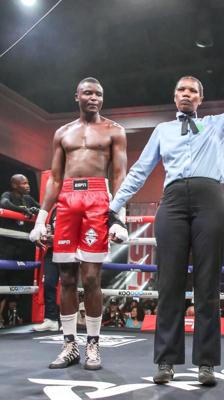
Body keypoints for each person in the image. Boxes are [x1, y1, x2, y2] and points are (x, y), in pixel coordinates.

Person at [109, 63, 224, 386]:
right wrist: (113, 207)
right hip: (173, 203)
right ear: (174, 96)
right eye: (181, 89)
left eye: (192, 90)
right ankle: (166, 361)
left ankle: (206, 363)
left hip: (210, 199)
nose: (186, 94)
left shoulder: (215, 124)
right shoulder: (162, 130)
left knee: (207, 285)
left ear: (200, 98)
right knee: (169, 284)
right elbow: (140, 170)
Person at [29, 77, 127, 370]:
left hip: (98, 198)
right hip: (68, 199)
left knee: (91, 278)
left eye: (98, 94)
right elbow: (55, 179)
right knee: (67, 278)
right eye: (88, 93)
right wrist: (41, 219)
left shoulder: (114, 130)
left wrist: (119, 218)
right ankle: (69, 345)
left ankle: (93, 344)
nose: (94, 98)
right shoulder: (62, 132)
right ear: (77, 96)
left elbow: (119, 175)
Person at [0, 174, 40, 325]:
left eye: (28, 182)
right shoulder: (8, 195)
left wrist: (35, 209)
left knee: (18, 281)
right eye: (23, 183)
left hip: (22, 246)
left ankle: (14, 316)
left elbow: (42, 208)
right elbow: (4, 203)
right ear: (15, 185)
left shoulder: (28, 199)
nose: (27, 185)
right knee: (2, 278)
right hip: (6, 245)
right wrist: (21, 210)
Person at [32, 207, 59, 332]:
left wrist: (58, 238)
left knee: (69, 285)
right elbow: (47, 229)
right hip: (52, 250)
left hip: (69, 250)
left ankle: (67, 320)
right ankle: (51, 319)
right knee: (48, 283)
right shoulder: (52, 209)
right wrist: (40, 236)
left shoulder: (75, 204)